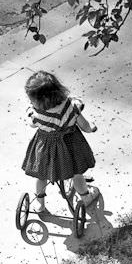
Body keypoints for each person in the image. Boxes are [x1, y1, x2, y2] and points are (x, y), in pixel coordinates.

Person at [22, 70, 100, 214]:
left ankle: (40, 204)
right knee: (77, 173)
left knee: (41, 176)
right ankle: (86, 197)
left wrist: (30, 114)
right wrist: (92, 128)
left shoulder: (37, 115)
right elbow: (84, 125)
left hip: (46, 149)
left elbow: (31, 124)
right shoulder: (71, 107)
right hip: (71, 146)